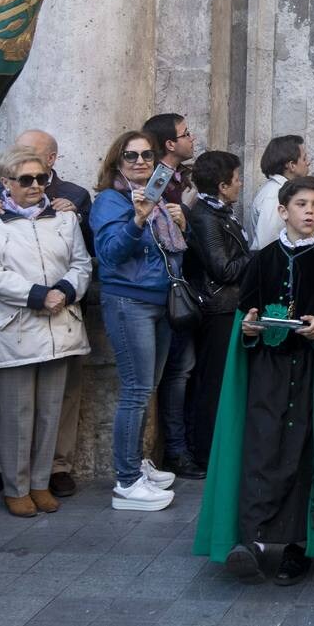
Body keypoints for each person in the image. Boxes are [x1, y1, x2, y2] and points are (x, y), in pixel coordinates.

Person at [194, 176, 314, 584]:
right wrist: (247, 329)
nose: (311, 212)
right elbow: (246, 316)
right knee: (262, 447)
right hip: (269, 370)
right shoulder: (261, 261)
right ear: (283, 211)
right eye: (302, 204)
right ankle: (253, 539)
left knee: (304, 453)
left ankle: (299, 545)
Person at [0, 129, 93, 499]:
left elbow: (81, 263)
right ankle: (16, 488)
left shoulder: (65, 216)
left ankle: (41, 483)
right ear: (5, 183)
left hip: (60, 326)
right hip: (16, 328)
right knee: (16, 413)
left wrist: (62, 291)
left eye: (41, 179)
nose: (35, 186)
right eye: (25, 180)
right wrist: (36, 295)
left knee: (50, 412)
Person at [90, 130, 186, 511]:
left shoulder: (159, 198)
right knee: (134, 390)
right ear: (118, 162)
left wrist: (181, 221)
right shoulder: (109, 202)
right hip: (129, 302)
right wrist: (136, 220)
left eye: (147, 155)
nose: (141, 162)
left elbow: (171, 249)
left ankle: (137, 463)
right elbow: (110, 255)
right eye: (132, 156)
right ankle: (127, 482)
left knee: (147, 387)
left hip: (160, 301)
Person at [142, 112, 204, 479]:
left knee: (181, 370)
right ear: (169, 143)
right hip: (160, 289)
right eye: (186, 133)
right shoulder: (156, 182)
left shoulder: (182, 179)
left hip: (182, 286)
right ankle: (163, 454)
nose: (191, 138)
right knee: (163, 375)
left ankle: (175, 450)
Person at [183, 151, 252, 467]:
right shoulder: (206, 217)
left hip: (228, 307)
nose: (240, 184)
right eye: (237, 179)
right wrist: (258, 257)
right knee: (212, 382)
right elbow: (222, 269)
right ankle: (205, 451)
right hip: (217, 309)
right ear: (223, 186)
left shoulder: (222, 212)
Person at [249, 135, 312, 250]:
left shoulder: (283, 190)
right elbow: (268, 246)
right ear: (292, 165)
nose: (308, 163)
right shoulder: (275, 195)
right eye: (304, 158)